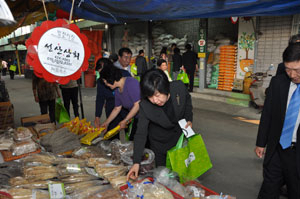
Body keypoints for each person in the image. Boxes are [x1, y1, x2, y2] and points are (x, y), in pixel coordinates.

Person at [127, 69, 193, 181]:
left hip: (179, 140)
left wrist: (189, 119)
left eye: (157, 95)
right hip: (160, 143)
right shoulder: (145, 106)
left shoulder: (179, 87)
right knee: (163, 177)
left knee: (182, 175)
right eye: (150, 97)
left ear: (165, 88)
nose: (154, 100)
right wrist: (136, 162)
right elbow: (140, 134)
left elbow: (187, 100)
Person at [255, 43, 300, 198]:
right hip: (278, 148)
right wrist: (261, 142)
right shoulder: (278, 83)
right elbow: (267, 114)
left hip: (297, 153)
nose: (292, 74)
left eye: (297, 70)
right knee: (268, 189)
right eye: (288, 69)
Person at [99, 65, 140, 140]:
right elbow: (117, 108)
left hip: (146, 118)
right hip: (137, 118)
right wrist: (106, 123)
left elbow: (137, 104)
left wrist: (125, 120)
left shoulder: (131, 83)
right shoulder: (117, 90)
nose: (106, 85)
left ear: (110, 78)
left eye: (105, 82)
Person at [94, 58, 131, 135]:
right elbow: (100, 98)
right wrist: (97, 116)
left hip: (126, 107)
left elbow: (136, 101)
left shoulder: (125, 75)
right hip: (111, 107)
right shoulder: (101, 81)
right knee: (111, 132)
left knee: (129, 132)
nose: (105, 81)